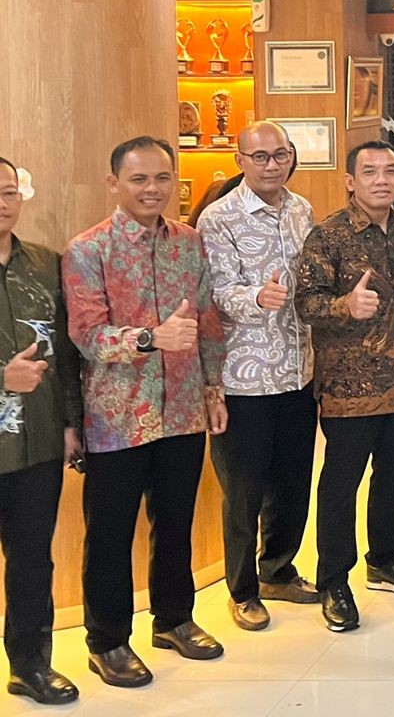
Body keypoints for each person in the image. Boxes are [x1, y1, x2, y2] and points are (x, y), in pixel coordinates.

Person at [62, 136, 227, 687]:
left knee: (175, 521)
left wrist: (213, 389)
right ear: (114, 183)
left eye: (162, 178)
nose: (152, 189)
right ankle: (107, 641)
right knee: (110, 534)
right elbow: (87, 336)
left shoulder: (190, 242)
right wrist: (150, 338)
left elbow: (207, 321)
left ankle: (174, 619)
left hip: (183, 409)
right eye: (139, 179)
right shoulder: (88, 250)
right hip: (116, 418)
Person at [299, 141, 394, 633]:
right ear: (351, 181)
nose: (382, 179)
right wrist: (345, 306)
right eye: (370, 171)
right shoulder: (329, 236)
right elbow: (305, 304)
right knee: (341, 485)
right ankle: (334, 580)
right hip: (348, 388)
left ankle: (386, 558)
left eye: (390, 171)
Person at [196, 121, 319, 631]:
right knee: (244, 490)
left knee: (293, 483)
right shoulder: (218, 218)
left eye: (280, 154)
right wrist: (258, 298)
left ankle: (278, 571)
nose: (272, 165)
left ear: (291, 157)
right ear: (241, 161)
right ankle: (243, 590)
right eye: (260, 156)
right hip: (243, 379)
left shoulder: (302, 209)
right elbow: (217, 292)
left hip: (297, 372)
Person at [0, 156, 82, 705]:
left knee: (32, 559)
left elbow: (69, 354)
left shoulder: (47, 264)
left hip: (38, 440)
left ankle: (30, 665)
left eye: (9, 191)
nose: (2, 202)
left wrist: (72, 422)